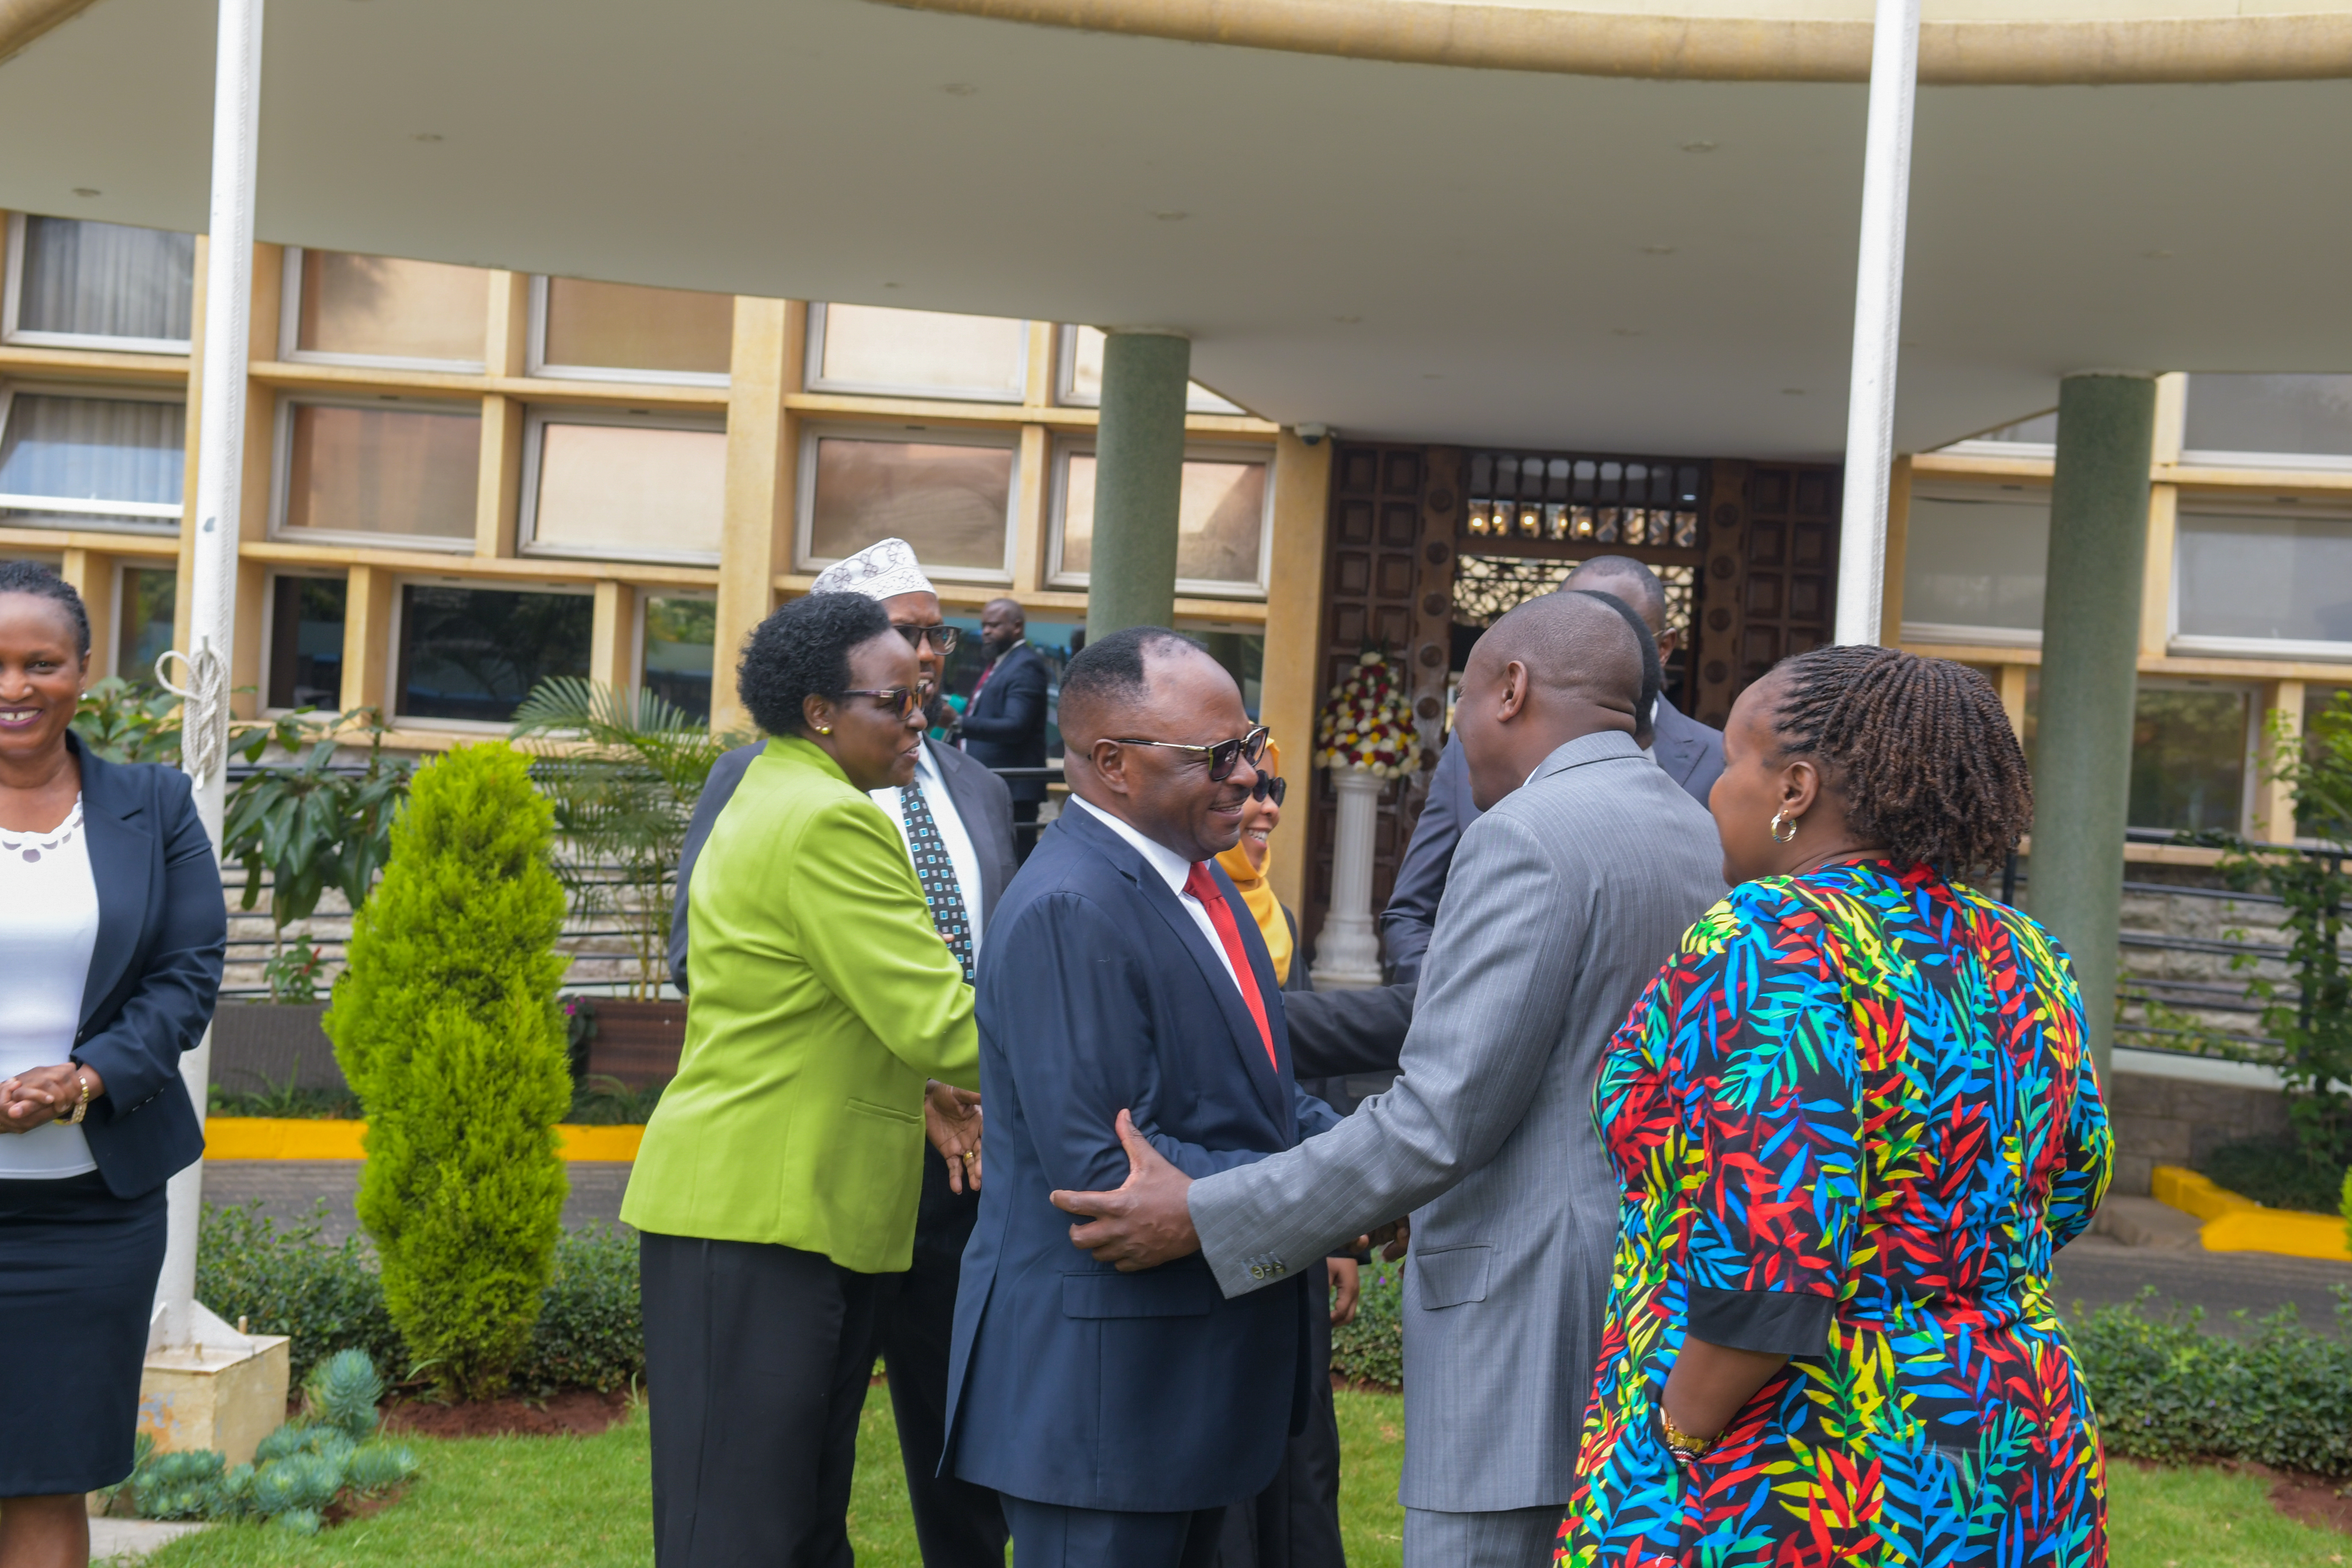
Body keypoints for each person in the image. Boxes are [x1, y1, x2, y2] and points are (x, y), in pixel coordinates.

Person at [1050, 591, 1725, 1568]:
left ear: (1509, 688)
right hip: (1646, 1297)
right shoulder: (1691, 825)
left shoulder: (1525, 835)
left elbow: (1438, 1122)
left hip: (1523, 1314)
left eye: (1456, 703)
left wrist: (1207, 1213)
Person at [1561, 647, 2111, 1566]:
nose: (1714, 792)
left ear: (1797, 786)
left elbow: (1774, 1259)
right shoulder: (2024, 949)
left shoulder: (1773, 936)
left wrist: (1679, 1432)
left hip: (1807, 1463)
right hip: (2015, 1446)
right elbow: (2075, 1182)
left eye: (1733, 761)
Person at [942, 628, 1343, 1568]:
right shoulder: (1070, 909)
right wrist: (1332, 1191)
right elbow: (1107, 1175)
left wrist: (1361, 1163)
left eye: (1251, 743)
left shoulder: (1204, 884)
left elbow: (1264, 1096)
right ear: (1113, 765)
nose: (1249, 776)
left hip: (1186, 1390)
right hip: (1103, 1405)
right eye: (1215, 756)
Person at [667, 542, 1015, 1568]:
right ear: (822, 706)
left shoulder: (807, 790)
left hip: (829, 1203)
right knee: (750, 1527)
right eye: (894, 697)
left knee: (798, 1518)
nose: (920, 713)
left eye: (924, 683)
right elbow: (939, 1021)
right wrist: (1103, 1042)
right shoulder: (827, 817)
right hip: (772, 1206)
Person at [0, 563, 225, 1568]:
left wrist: (80, 1079)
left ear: (84, 671)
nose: (16, 686)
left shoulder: (154, 805)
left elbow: (186, 974)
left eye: (40, 662)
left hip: (90, 1211)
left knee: (49, 1472)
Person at [1382, 556, 1724, 983]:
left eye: (1619, 626)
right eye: (1574, 620)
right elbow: (1413, 910)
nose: (1592, 636)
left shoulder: (1723, 761)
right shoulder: (1474, 746)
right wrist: (1438, 1000)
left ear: (1664, 647)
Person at [1209, 744, 1355, 1568]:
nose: (1266, 809)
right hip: (1221, 1211)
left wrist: (1335, 1218)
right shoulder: (1189, 909)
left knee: (1305, 1454)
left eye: (1276, 790)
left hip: (1294, 1208)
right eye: (1249, 791)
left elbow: (1307, 1071)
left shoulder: (1278, 915)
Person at [958, 597, 1051, 858]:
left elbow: (1015, 726)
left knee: (1012, 861)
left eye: (994, 625)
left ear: (1017, 627)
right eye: (984, 625)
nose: (986, 632)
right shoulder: (1002, 662)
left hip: (1012, 790)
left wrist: (959, 723)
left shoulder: (1026, 665)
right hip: (991, 784)